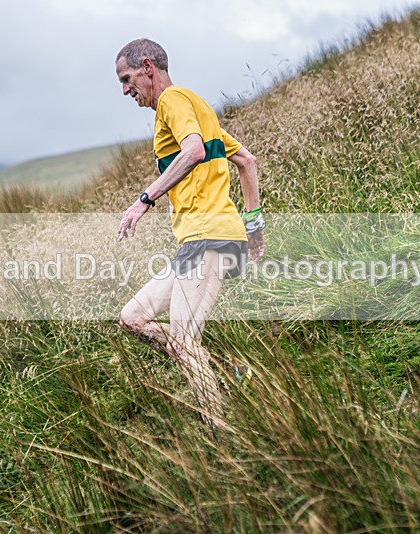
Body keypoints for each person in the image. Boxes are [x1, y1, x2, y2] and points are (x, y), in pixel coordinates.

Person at [114, 38, 264, 429]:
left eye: (127, 78)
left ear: (148, 67)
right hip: (205, 238)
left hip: (208, 237)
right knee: (133, 320)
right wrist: (254, 227)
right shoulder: (196, 107)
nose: (125, 90)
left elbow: (194, 151)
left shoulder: (173, 102)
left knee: (182, 342)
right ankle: (226, 370)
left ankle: (224, 437)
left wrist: (145, 199)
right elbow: (246, 161)